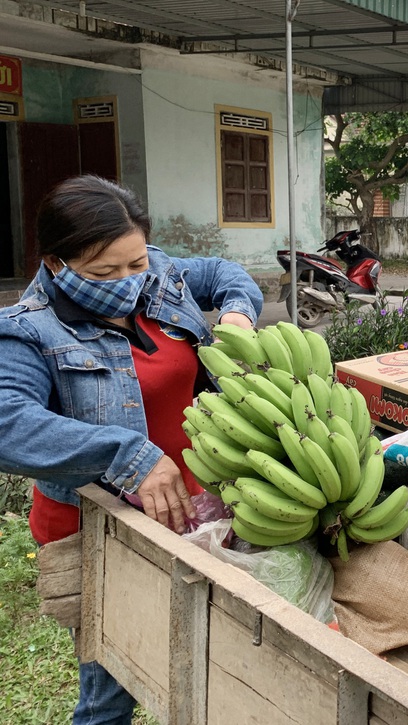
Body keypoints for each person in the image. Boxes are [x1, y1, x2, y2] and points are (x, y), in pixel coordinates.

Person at [0, 175, 263, 724]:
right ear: (55, 263)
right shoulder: (27, 331)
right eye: (103, 272)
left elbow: (220, 273)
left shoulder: (160, 275)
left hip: (198, 502)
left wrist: (238, 307)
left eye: (135, 263)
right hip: (100, 525)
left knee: (212, 662)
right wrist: (129, 454)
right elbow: (9, 424)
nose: (126, 281)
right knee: (114, 681)